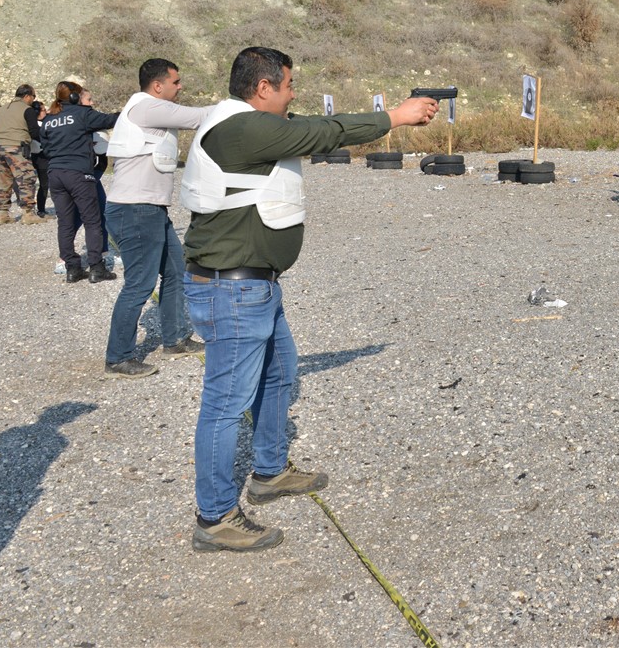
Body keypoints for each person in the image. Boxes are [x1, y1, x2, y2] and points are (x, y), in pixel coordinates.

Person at [180, 46, 436, 552]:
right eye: (289, 85)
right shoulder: (243, 129)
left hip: (254, 285)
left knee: (280, 375)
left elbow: (318, 123)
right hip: (232, 288)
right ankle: (213, 518)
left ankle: (270, 472)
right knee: (226, 405)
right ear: (264, 88)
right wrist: (395, 118)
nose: (294, 93)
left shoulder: (240, 121)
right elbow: (324, 132)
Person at [101, 59, 212, 379]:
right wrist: (240, 103)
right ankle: (118, 357)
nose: (180, 88)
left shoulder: (148, 107)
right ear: (158, 85)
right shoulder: (147, 107)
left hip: (149, 210)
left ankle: (175, 340)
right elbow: (200, 116)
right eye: (176, 82)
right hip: (135, 210)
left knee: (177, 271)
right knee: (140, 284)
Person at [40, 82, 119, 284]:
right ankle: (96, 267)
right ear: (75, 97)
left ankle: (72, 269)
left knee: (65, 224)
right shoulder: (82, 114)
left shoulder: (49, 120)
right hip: (79, 174)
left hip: (55, 175)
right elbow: (110, 120)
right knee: (92, 221)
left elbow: (46, 149)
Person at [0, 85, 45, 225]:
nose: (34, 100)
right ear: (27, 96)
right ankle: (28, 214)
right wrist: (47, 142)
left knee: (3, 180)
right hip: (16, 147)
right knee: (27, 178)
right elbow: (34, 132)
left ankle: (2, 214)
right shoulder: (27, 110)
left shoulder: (3, 108)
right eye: (33, 97)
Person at [27, 96, 51, 217]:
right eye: (43, 110)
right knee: (39, 184)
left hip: (40, 156)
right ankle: (35, 209)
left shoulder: (45, 123)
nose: (45, 112)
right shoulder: (36, 125)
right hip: (37, 156)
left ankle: (40, 209)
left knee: (44, 185)